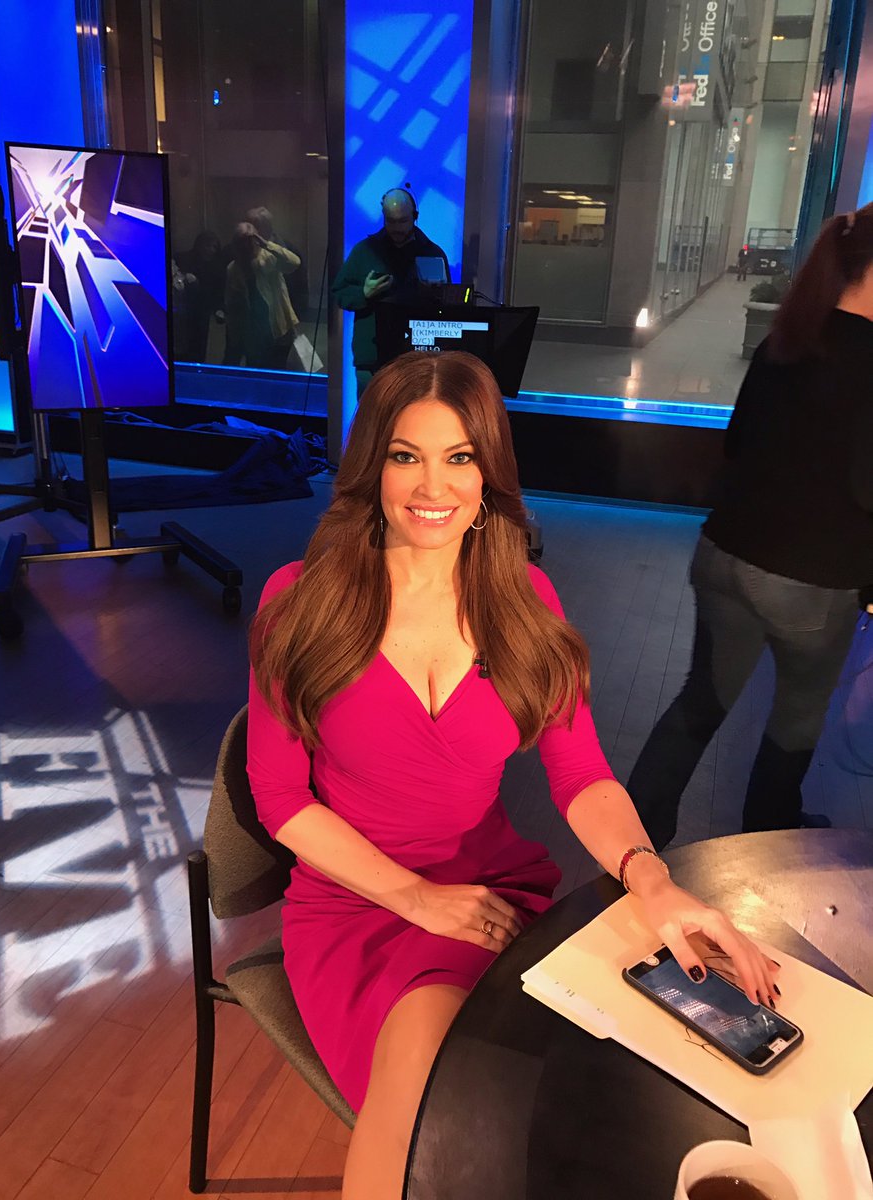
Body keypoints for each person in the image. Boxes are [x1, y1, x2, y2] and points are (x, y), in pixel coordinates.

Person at [247, 351, 780, 1200]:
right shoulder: (298, 599)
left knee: (580, 1090)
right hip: (359, 902)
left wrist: (652, 880)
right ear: (372, 464)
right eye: (406, 455)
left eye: (459, 457)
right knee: (432, 1080)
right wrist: (416, 899)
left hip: (488, 888)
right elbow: (280, 800)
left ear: (488, 471)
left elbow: (583, 775)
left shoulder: (525, 600)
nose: (433, 487)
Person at [628, 206, 873, 850]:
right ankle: (766, 846)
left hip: (726, 554)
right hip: (813, 579)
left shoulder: (786, 340)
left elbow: (737, 441)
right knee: (797, 719)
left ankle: (634, 848)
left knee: (699, 703)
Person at [331, 187, 451, 394]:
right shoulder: (364, 251)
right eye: (390, 221)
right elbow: (339, 293)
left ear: (415, 217)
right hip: (372, 358)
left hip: (418, 358)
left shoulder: (432, 253)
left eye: (402, 221)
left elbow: (447, 306)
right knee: (372, 413)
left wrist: (430, 296)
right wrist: (363, 294)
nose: (396, 228)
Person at [224, 220, 300, 369]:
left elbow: (294, 262)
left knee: (277, 370)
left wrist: (266, 244)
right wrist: (234, 334)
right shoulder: (233, 268)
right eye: (242, 242)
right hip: (252, 334)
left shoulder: (269, 258)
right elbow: (231, 303)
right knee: (256, 371)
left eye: (249, 241)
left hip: (278, 329)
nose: (247, 246)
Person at [175, 230, 226, 362]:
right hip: (185, 309)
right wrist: (184, 276)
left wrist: (219, 309)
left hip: (204, 310)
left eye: (214, 246)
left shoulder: (218, 266)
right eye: (207, 245)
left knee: (200, 343)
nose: (211, 250)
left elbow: (219, 291)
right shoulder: (185, 259)